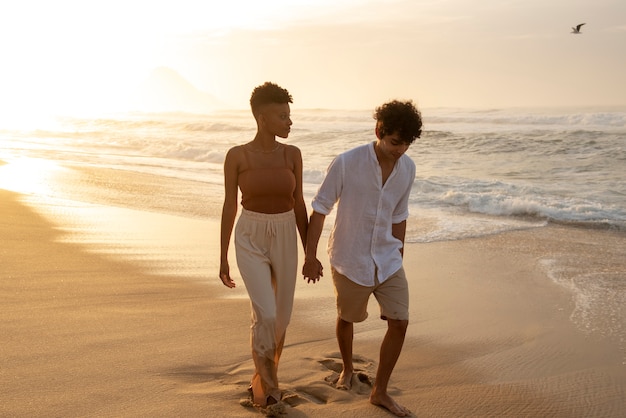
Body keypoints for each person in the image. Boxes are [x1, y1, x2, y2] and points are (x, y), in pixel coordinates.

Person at [302, 100, 422, 417]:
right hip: (349, 256)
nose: (400, 150)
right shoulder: (346, 162)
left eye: (407, 144)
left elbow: (400, 215)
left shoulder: (407, 169)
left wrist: (399, 253)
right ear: (379, 132)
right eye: (396, 142)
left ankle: (379, 392)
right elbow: (320, 209)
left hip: (388, 258)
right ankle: (346, 368)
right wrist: (310, 256)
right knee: (348, 318)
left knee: (400, 321)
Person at [219, 82, 308, 407]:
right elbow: (230, 205)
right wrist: (223, 256)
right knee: (265, 313)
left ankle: (260, 378)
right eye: (282, 116)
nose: (289, 122)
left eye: (289, 115)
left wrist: (310, 252)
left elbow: (299, 204)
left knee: (280, 318)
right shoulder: (237, 156)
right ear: (262, 118)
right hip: (250, 236)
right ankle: (270, 389)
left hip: (285, 233)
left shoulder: (292, 154)